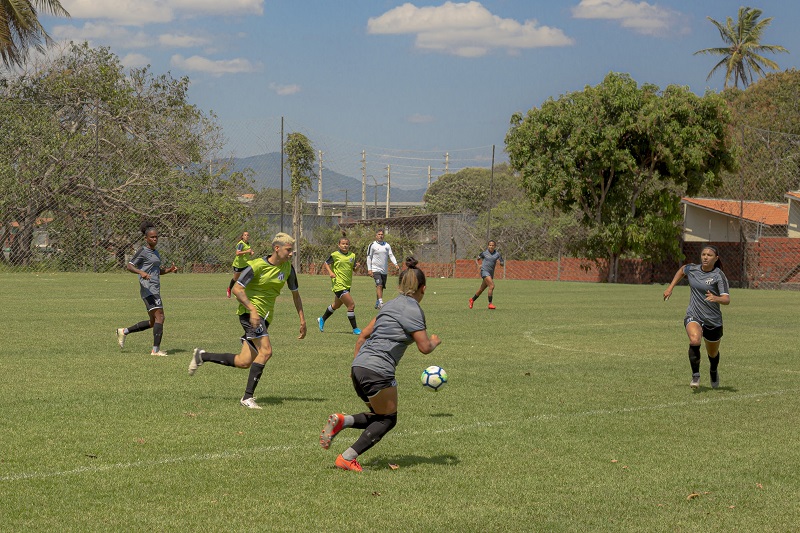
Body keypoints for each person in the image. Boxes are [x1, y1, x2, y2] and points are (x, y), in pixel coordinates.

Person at [319, 257, 442, 472]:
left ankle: (342, 421)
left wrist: (355, 363)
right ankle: (348, 457)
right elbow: (424, 347)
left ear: (399, 286)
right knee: (388, 420)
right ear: (423, 288)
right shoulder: (414, 310)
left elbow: (362, 337)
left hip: (359, 368)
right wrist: (434, 342)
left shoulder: (389, 305)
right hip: (378, 370)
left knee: (379, 416)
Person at [188, 232, 307, 409]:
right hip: (249, 314)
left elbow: (295, 295)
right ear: (277, 248)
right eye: (288, 250)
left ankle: (202, 356)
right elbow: (237, 289)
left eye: (292, 251)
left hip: (264, 318)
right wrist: (252, 309)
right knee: (266, 351)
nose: (291, 254)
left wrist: (302, 320)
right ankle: (247, 398)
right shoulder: (256, 266)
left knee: (244, 361)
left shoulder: (288, 268)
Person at [663, 245, 730, 389]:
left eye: (709, 255)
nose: (705, 257)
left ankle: (713, 370)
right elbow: (682, 270)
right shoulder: (692, 269)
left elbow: (726, 299)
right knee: (694, 340)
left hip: (713, 320)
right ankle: (695, 376)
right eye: (703, 254)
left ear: (716, 258)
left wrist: (716, 298)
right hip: (694, 314)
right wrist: (670, 288)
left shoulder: (719, 275)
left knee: (712, 353)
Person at [116, 222, 178, 356]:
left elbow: (157, 271)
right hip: (148, 289)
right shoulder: (143, 251)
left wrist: (170, 270)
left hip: (155, 288)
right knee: (160, 317)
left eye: (156, 237)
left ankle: (123, 331)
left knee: (153, 322)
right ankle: (155, 351)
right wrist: (140, 272)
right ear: (146, 238)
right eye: (152, 237)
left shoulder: (156, 253)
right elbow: (130, 265)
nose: (155, 239)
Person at [317, 236, 362, 335]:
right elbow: (326, 263)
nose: (345, 245)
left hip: (347, 285)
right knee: (351, 305)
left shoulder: (352, 255)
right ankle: (355, 329)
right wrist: (330, 272)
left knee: (336, 305)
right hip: (338, 284)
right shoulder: (335, 255)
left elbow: (354, 269)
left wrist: (357, 267)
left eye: (347, 244)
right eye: (343, 244)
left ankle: (322, 319)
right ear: (339, 245)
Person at [366, 229, 398, 309]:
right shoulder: (372, 245)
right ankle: (381, 302)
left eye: (382, 234)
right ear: (376, 236)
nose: (381, 236)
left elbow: (391, 255)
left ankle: (377, 302)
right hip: (375, 269)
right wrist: (369, 269)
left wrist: (396, 264)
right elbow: (369, 257)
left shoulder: (387, 245)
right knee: (379, 284)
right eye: (379, 234)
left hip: (384, 270)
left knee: (381, 286)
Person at [469, 240, 505, 309]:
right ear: (488, 246)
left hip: (490, 274)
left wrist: (501, 263)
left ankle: (472, 300)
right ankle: (490, 304)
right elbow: (477, 259)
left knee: (481, 289)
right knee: (492, 286)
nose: (491, 246)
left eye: (492, 245)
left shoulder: (497, 254)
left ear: (495, 246)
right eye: (490, 245)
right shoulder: (484, 253)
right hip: (484, 271)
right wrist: (478, 265)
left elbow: (502, 263)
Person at [227, 231, 255, 298]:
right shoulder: (241, 244)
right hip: (238, 264)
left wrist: (251, 253)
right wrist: (247, 251)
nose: (246, 236)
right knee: (235, 278)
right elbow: (237, 253)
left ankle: (245, 292)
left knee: (249, 276)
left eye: (247, 235)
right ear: (242, 236)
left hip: (246, 264)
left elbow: (247, 252)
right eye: (245, 235)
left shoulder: (248, 244)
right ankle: (229, 289)